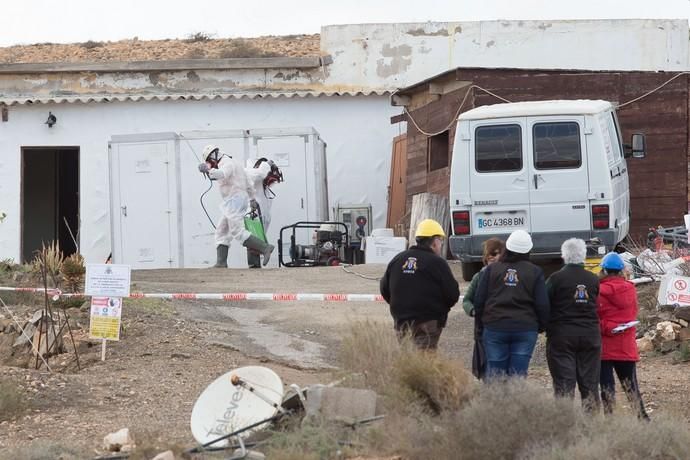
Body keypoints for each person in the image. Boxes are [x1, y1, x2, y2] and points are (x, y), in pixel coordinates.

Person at [473, 229, 549, 378]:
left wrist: (481, 326)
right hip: (525, 328)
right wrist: (541, 326)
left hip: (495, 327)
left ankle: (496, 401)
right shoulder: (535, 272)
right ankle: (516, 401)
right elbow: (542, 304)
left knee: (494, 374)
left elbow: (479, 300)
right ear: (528, 250)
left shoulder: (491, 270)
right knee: (517, 376)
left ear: (507, 247)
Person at [380, 219, 460, 350]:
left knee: (407, 359)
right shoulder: (437, 263)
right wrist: (440, 310)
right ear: (434, 242)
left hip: (401, 322)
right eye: (440, 241)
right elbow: (452, 294)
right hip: (428, 322)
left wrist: (400, 306)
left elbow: (384, 288)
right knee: (424, 364)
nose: (441, 244)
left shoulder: (398, 259)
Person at [545, 238, 601, 412]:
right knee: (590, 384)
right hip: (590, 335)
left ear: (564, 255)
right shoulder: (593, 279)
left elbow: (544, 303)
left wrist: (545, 325)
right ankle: (591, 426)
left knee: (564, 384)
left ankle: (565, 424)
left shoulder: (555, 279)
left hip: (562, 335)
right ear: (583, 256)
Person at [198, 145, 274, 268]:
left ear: (213, 156)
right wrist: (252, 198)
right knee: (222, 230)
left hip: (235, 200)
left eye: (210, 161)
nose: (211, 164)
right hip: (234, 200)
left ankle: (265, 248)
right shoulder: (234, 163)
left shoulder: (227, 163)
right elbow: (248, 182)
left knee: (237, 231)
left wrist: (208, 170)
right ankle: (221, 262)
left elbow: (222, 173)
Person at [597, 252, 650, 420]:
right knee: (631, 387)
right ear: (621, 270)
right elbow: (632, 314)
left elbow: (594, 318)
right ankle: (642, 420)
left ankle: (611, 422)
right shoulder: (630, 289)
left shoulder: (597, 291)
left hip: (604, 346)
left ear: (603, 270)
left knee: (607, 387)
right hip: (626, 345)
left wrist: (607, 327)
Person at [462, 238, 505, 379]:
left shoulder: (508, 275)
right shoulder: (478, 276)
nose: (491, 257)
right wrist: (473, 310)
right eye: (488, 254)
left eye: (495, 253)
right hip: (483, 327)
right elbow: (467, 300)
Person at [244, 158, 280, 268]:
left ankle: (256, 264)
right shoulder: (250, 173)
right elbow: (260, 173)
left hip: (261, 215)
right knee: (251, 237)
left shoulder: (264, 187)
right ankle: (254, 264)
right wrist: (266, 165)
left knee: (256, 238)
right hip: (252, 212)